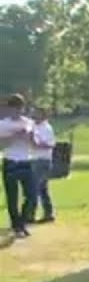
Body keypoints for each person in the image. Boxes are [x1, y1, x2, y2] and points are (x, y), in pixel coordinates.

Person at [1, 94, 36, 239]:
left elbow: (33, 143)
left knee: (31, 196)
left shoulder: (29, 122)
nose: (17, 111)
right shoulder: (3, 124)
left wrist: (29, 137)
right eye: (14, 108)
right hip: (10, 161)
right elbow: (2, 144)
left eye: (19, 108)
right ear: (10, 109)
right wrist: (15, 136)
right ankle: (17, 226)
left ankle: (22, 222)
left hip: (26, 161)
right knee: (12, 197)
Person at [29, 107, 56, 224]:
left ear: (44, 115)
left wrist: (35, 143)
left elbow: (50, 144)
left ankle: (29, 215)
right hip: (34, 159)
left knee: (34, 188)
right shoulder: (34, 126)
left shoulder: (47, 128)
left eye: (37, 113)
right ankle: (48, 213)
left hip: (42, 160)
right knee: (42, 189)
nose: (34, 115)